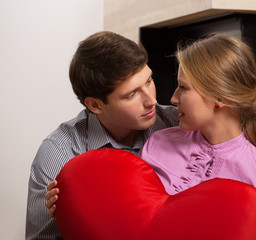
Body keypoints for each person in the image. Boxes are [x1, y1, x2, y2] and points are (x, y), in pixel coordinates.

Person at [46, 33, 256, 218]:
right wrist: (71, 205)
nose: (169, 99)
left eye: (184, 87)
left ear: (221, 98)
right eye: (131, 95)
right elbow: (128, 209)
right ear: (95, 105)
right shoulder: (158, 142)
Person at [25, 31, 179, 240]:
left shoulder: (179, 124)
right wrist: (71, 217)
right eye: (132, 94)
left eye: (149, 80)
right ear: (95, 105)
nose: (151, 100)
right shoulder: (59, 153)